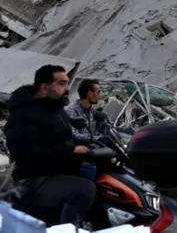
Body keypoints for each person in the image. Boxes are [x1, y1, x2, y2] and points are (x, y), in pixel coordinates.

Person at [3, 65, 97, 227]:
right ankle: (66, 230)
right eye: (61, 83)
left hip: (57, 171)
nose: (67, 88)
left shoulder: (55, 109)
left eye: (67, 83)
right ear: (45, 87)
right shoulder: (23, 115)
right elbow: (24, 154)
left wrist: (90, 142)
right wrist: (69, 150)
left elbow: (64, 137)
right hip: (33, 180)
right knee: (83, 190)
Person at [66, 79, 104, 181]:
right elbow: (73, 134)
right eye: (98, 92)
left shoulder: (91, 110)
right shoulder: (72, 110)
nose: (99, 95)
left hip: (92, 151)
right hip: (79, 157)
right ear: (90, 94)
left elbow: (94, 130)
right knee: (90, 171)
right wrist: (94, 138)